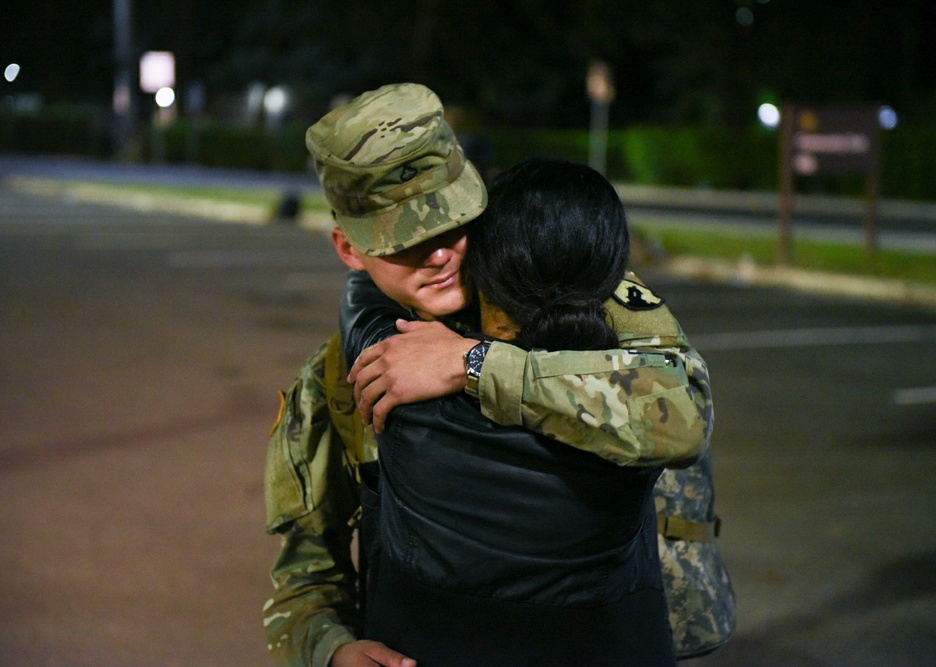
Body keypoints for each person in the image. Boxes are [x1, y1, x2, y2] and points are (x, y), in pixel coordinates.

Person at [263, 83, 713, 667]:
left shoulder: (570, 285)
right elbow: (304, 572)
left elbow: (683, 413)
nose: (439, 255)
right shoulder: (338, 379)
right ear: (349, 248)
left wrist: (473, 365)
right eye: (405, 240)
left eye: (452, 224)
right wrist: (330, 650)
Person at [357, 157, 678, 666]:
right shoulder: (634, 408)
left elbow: (363, 300)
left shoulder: (400, 380)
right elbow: (679, 405)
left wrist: (468, 357)